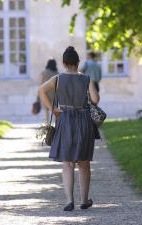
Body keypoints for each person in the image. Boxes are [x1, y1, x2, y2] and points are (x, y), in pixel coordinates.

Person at [38, 46, 99, 211]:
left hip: (65, 120)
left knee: (68, 163)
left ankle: (69, 200)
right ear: (78, 63)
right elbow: (95, 99)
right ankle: (84, 200)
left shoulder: (58, 79)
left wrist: (53, 109)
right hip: (84, 121)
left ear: (64, 63)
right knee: (84, 163)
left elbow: (41, 91)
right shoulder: (87, 79)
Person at [40, 59, 58, 123]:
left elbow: (41, 84)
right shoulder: (57, 73)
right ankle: (57, 127)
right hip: (54, 94)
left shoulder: (44, 72)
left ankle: (47, 127)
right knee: (55, 111)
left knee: (46, 112)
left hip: (46, 94)